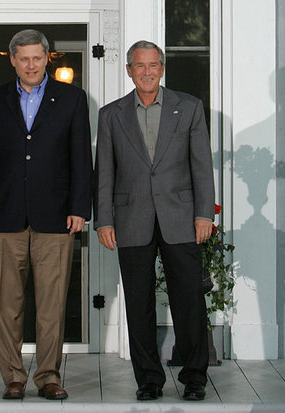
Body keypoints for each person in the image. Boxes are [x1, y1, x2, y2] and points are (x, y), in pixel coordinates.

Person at [0, 29, 92, 400]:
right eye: (24, 58)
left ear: (47, 58)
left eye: (37, 57)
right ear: (13, 61)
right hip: (4, 217)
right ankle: (13, 377)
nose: (31, 65)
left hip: (55, 217)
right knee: (6, 305)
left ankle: (49, 376)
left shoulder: (72, 99)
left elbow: (80, 159)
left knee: (52, 305)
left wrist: (79, 208)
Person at [94, 40, 215, 401]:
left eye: (153, 65)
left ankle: (195, 378)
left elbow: (202, 168)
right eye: (139, 66)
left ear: (161, 69)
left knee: (189, 301)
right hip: (132, 219)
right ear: (129, 70)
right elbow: (105, 173)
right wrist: (103, 219)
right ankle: (148, 379)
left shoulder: (189, 108)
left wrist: (203, 214)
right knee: (139, 303)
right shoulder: (111, 114)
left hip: (181, 218)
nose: (146, 72)